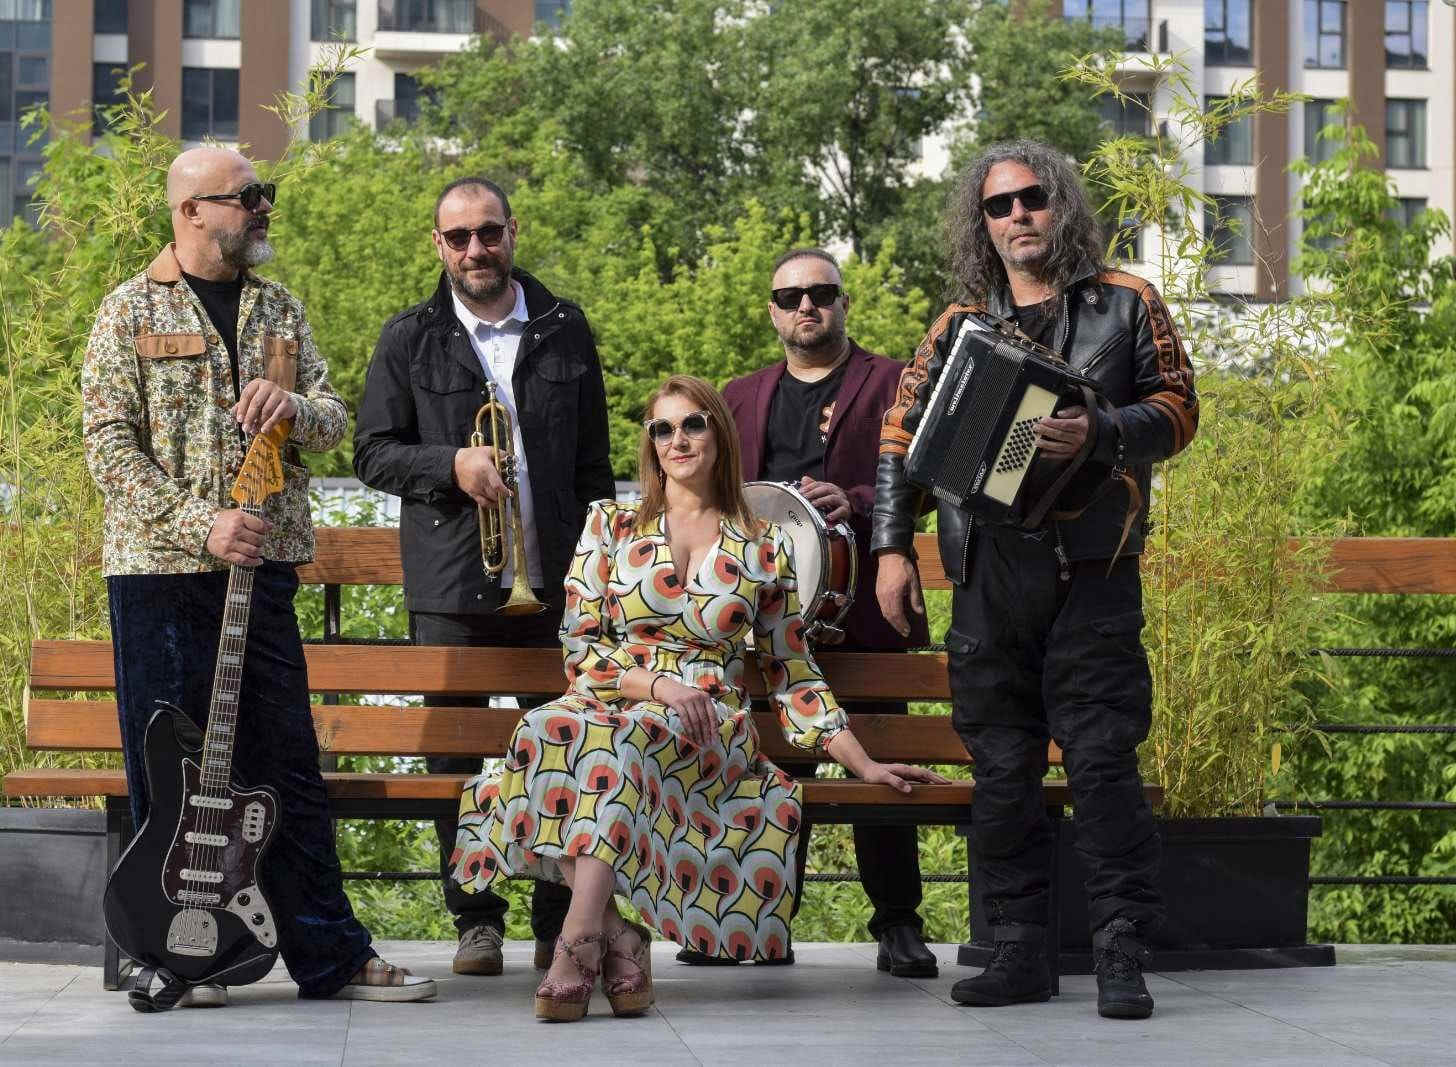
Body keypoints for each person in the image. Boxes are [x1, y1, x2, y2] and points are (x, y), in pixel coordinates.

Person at [451, 374, 947, 1022]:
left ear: (719, 435)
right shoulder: (609, 524)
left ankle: (577, 944)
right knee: (544, 728)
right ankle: (615, 938)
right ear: (650, 444)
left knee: (613, 746)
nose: (677, 439)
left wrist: (863, 762)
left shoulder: (761, 544)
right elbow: (579, 646)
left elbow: (792, 672)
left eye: (692, 424)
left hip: (706, 721)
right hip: (611, 698)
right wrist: (656, 683)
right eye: (663, 428)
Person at [82, 146, 434, 1006]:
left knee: (287, 765)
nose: (264, 206)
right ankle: (175, 956)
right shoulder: (127, 309)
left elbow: (333, 418)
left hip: (263, 572)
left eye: (262, 192)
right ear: (192, 211)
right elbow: (108, 445)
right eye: (247, 196)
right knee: (167, 771)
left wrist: (296, 407)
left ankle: (332, 956)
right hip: (160, 571)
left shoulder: (280, 308)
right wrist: (198, 522)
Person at [870, 140, 1198, 1020]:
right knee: (1003, 771)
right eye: (998, 205)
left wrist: (1100, 429)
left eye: (1031, 198)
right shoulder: (958, 325)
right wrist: (893, 549)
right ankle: (1017, 949)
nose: (1017, 215)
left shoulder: (1127, 301)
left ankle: (1121, 949)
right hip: (987, 574)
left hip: (1093, 569)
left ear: (1061, 204)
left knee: (1102, 763)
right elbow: (900, 436)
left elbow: (1179, 409)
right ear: (981, 223)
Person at [354, 176, 615, 977]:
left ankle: (556, 922)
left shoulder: (566, 326)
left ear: (512, 232)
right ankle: (476, 921)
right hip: (453, 587)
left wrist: (600, 570)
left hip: (556, 585)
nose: (476, 249)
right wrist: (451, 463)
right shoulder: (410, 337)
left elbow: (595, 464)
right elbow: (371, 452)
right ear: (438, 245)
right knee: (454, 763)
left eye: (489, 232)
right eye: (460, 236)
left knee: (563, 753)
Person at [712, 247, 936, 978]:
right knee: (765, 770)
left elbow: (932, 476)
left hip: (865, 609)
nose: (806, 305)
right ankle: (762, 922)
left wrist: (862, 501)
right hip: (764, 619)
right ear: (772, 311)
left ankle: (898, 922)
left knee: (879, 764)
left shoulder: (895, 380)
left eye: (821, 292)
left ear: (843, 302)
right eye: (790, 296)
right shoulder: (739, 395)